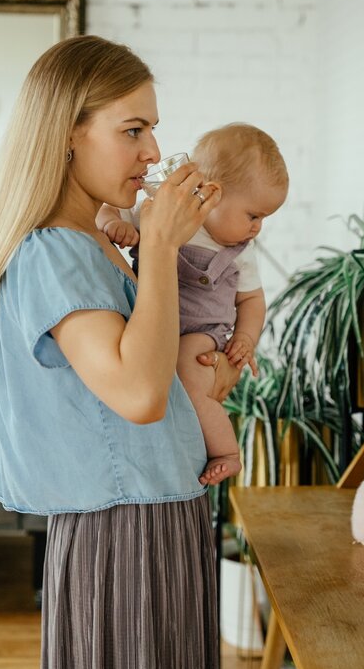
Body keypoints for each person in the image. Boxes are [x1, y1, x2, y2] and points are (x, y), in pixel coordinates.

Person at [0, 35, 241, 669]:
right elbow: (136, 395)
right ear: (68, 134)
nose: (152, 151)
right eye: (133, 129)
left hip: (160, 512)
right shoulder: (52, 253)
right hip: (124, 532)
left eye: (153, 129)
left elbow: (153, 377)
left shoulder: (99, 242)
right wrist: (158, 239)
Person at [95, 124, 288, 486]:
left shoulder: (240, 253)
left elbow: (251, 299)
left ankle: (226, 452)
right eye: (254, 215)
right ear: (213, 193)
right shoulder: (162, 213)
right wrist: (113, 225)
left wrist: (245, 338)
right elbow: (109, 210)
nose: (257, 228)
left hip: (201, 333)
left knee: (190, 373)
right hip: (150, 323)